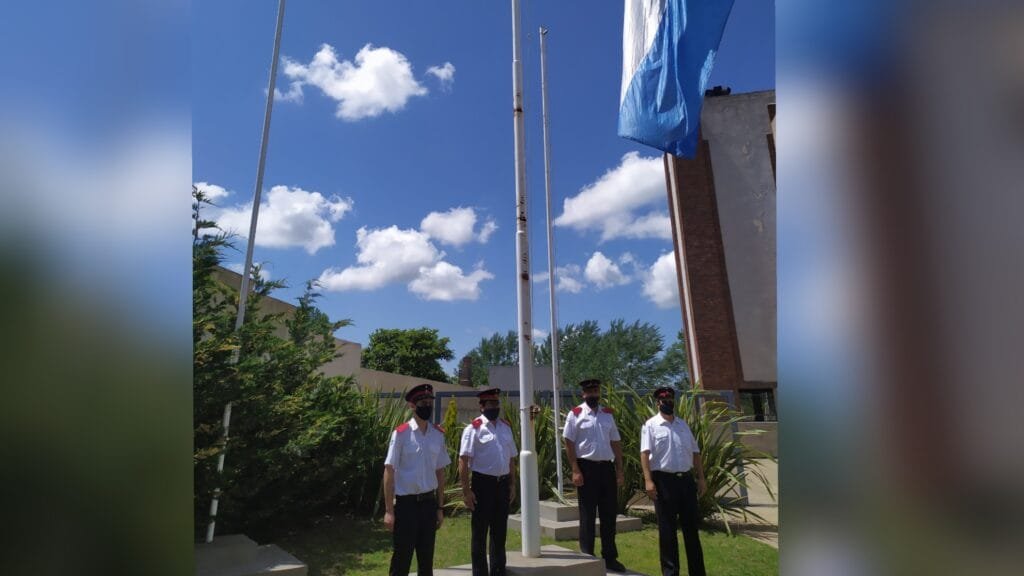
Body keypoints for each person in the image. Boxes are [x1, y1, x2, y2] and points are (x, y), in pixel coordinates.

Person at [383, 383, 451, 576]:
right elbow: (389, 471)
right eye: (422, 402)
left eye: (430, 402)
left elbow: (440, 472)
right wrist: (389, 511)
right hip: (406, 506)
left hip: (429, 505)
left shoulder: (438, 435)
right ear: (412, 406)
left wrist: (440, 508)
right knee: (401, 560)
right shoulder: (401, 434)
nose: (427, 405)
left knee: (426, 559)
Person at [640, 386, 707, 576]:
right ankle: (670, 572)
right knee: (667, 531)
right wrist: (648, 480)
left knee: (691, 530)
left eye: (670, 399)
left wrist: (701, 478)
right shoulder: (651, 425)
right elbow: (645, 453)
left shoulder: (683, 425)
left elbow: (695, 452)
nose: (667, 402)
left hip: (686, 481)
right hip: (664, 482)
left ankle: (698, 572)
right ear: (657, 403)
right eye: (664, 400)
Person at [562, 378, 627, 573]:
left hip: (606, 468)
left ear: (599, 393)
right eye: (589, 392)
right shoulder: (575, 414)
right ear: (583, 394)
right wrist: (575, 469)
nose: (593, 395)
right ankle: (587, 556)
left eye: (596, 391)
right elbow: (568, 442)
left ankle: (610, 557)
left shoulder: (607, 415)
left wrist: (619, 469)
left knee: (609, 515)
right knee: (587, 514)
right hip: (586, 468)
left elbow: (615, 442)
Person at [459, 388, 518, 576]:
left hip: (502, 484)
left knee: (499, 531)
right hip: (482, 485)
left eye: (496, 403)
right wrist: (467, 491)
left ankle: (498, 570)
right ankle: (480, 572)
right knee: (480, 533)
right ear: (482, 406)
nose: (495, 407)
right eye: (490, 404)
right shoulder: (473, 429)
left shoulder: (505, 426)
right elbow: (464, 460)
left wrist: (512, 484)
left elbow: (511, 459)